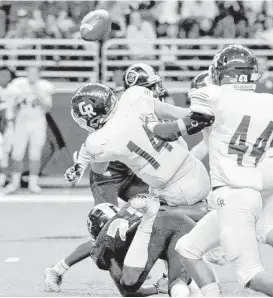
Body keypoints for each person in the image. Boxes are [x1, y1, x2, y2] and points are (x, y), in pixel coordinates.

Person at [153, 45, 273, 296]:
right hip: (245, 190)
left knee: (249, 275)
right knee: (187, 248)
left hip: (233, 194)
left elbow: (187, 125)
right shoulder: (267, 102)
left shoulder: (213, 95)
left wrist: (154, 127)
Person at [45, 195, 207, 296]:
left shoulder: (105, 247)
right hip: (183, 225)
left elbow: (128, 291)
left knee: (170, 282)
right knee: (182, 278)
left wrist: (157, 288)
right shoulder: (128, 211)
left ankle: (57, 269)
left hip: (163, 233)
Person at [4, 66, 54, 194]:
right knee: (17, 153)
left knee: (35, 153)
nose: (31, 75)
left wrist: (37, 92)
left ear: (39, 74)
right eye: (29, 73)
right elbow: (12, 105)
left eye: (34, 73)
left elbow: (48, 107)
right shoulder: (18, 85)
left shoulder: (44, 86)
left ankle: (33, 183)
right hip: (21, 123)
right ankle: (15, 182)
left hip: (37, 123)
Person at [0, 66, 18, 186]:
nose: (4, 78)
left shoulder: (15, 90)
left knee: (8, 151)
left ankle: (7, 177)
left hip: (10, 123)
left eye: (6, 75)